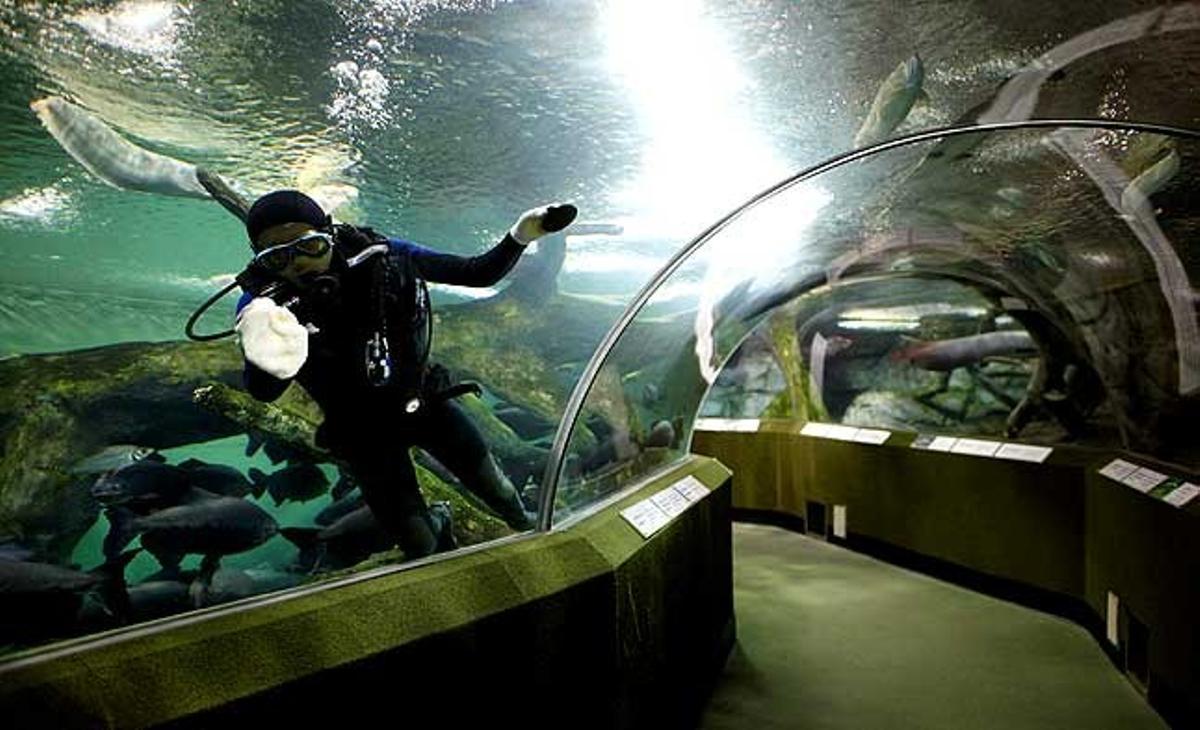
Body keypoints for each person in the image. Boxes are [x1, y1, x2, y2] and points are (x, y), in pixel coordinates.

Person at [233, 190, 576, 559]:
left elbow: (476, 273)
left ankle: (535, 539)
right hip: (360, 434)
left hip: (425, 404)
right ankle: (440, 523)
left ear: (331, 234)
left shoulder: (382, 254)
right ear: (261, 261)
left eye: (310, 246)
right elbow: (263, 391)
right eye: (278, 257)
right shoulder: (261, 308)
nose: (298, 264)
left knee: (503, 494)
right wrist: (268, 357)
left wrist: (520, 236)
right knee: (419, 546)